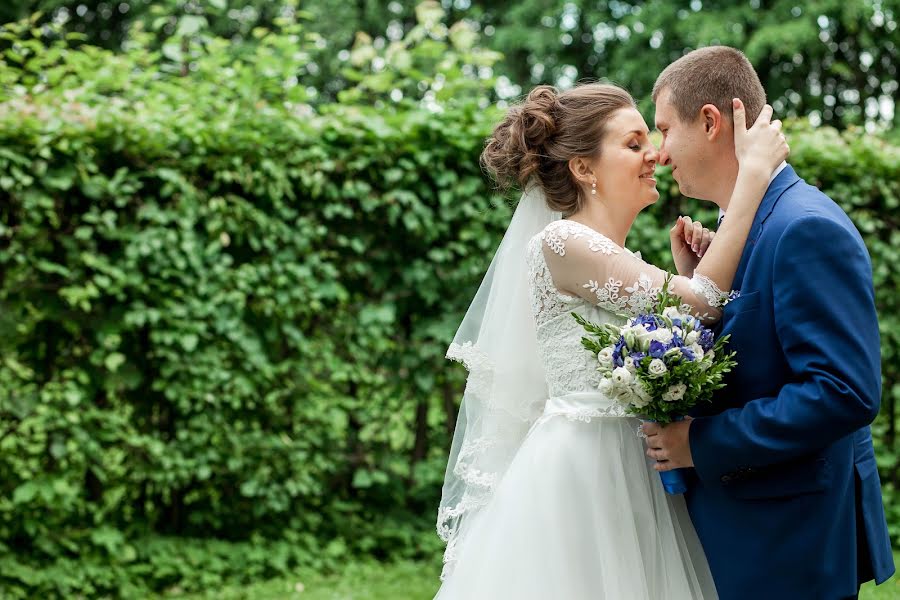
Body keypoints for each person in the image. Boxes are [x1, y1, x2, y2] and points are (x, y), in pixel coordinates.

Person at [434, 80, 787, 599]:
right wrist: (751, 180)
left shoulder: (605, 252)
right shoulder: (563, 240)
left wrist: (685, 274)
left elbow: (683, 317)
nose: (657, 155)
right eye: (633, 143)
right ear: (582, 167)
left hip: (635, 464)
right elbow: (702, 301)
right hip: (587, 471)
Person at [643, 46, 895, 599]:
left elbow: (843, 391)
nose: (660, 154)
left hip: (789, 544)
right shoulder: (746, 224)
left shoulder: (804, 227)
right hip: (753, 532)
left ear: (710, 122)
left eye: (664, 130)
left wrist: (699, 444)